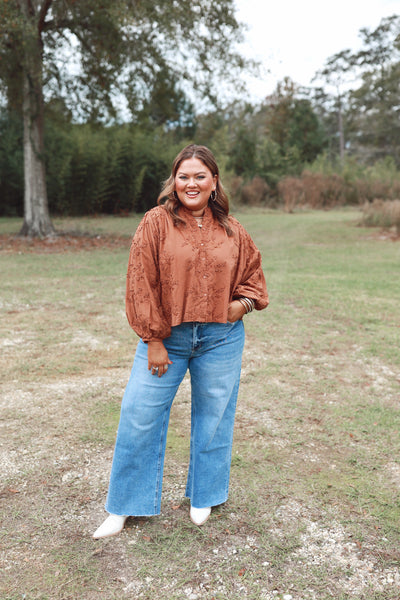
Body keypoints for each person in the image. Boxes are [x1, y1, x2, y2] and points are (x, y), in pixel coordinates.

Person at [93, 144, 268, 539]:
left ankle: (203, 496)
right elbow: (141, 280)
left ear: (214, 182)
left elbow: (253, 274)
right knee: (139, 415)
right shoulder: (155, 223)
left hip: (220, 339)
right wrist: (153, 338)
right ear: (174, 181)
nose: (191, 183)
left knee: (214, 418)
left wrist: (242, 305)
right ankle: (123, 506)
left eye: (200, 176)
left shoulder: (232, 228)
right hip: (167, 340)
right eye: (184, 176)